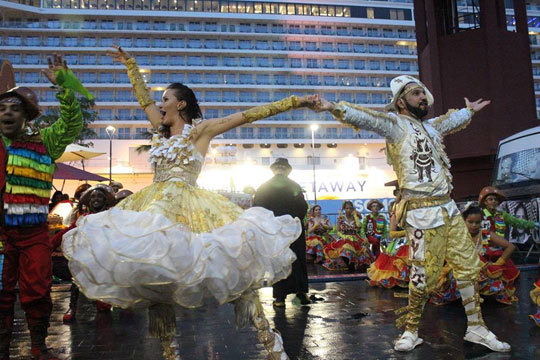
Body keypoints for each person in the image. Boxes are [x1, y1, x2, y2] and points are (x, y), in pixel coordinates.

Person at [62, 45, 315, 360]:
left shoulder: (201, 132)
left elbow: (249, 115)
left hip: (194, 206)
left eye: (166, 98)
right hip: (154, 206)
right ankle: (170, 353)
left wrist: (296, 101)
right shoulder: (161, 131)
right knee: (156, 275)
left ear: (180, 104)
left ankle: (271, 344)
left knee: (231, 275)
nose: (160, 103)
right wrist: (131, 64)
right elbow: (143, 100)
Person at [311, 74, 510, 352]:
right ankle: (411, 330)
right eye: (416, 94)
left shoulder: (430, 127)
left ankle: (477, 328)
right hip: (420, 212)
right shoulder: (396, 126)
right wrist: (332, 107)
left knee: (467, 267)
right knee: (421, 275)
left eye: (423, 94)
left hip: (449, 210)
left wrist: (468, 111)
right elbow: (367, 118)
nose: (423, 98)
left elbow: (449, 122)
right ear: (401, 102)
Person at [0, 54, 87, 360]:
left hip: (33, 233)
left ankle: (39, 346)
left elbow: (73, 122)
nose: (7, 113)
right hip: (1, 234)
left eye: (15, 109)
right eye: (2, 108)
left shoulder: (46, 140)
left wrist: (63, 86)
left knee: (37, 291)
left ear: (28, 116)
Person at [50, 184, 118, 323]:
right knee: (76, 281)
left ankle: (104, 304)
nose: (96, 199)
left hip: (104, 258)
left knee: (104, 282)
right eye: (93, 197)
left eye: (99, 196)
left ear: (105, 200)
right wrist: (49, 246)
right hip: (85, 257)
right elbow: (66, 232)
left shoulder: (110, 217)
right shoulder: (83, 218)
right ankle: (72, 308)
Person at [431, 205, 519, 306]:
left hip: (481, 270)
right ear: (463, 221)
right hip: (458, 268)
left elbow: (510, 247)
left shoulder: (485, 234)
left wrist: (498, 263)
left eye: (477, 222)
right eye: (470, 222)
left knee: (491, 272)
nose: (474, 225)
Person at [253, 158, 310, 308]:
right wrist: (295, 220)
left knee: (278, 262)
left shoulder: (263, 187)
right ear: (287, 170)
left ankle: (279, 297)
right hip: (294, 230)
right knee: (297, 260)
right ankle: (301, 293)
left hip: (275, 230)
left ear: (274, 170)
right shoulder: (294, 186)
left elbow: (258, 208)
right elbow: (302, 207)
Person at [367, 196, 409, 289]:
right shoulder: (395, 216)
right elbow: (392, 233)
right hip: (400, 242)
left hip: (414, 240)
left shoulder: (415, 213)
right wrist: (407, 232)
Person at [323, 200, 372, 271]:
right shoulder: (340, 218)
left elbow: (358, 226)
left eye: (350, 208)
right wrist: (344, 237)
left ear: (353, 209)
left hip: (355, 238)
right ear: (344, 209)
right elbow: (338, 231)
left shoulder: (355, 218)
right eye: (347, 208)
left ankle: (353, 264)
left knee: (364, 249)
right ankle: (348, 264)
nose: (348, 210)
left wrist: (355, 215)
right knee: (345, 247)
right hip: (344, 238)